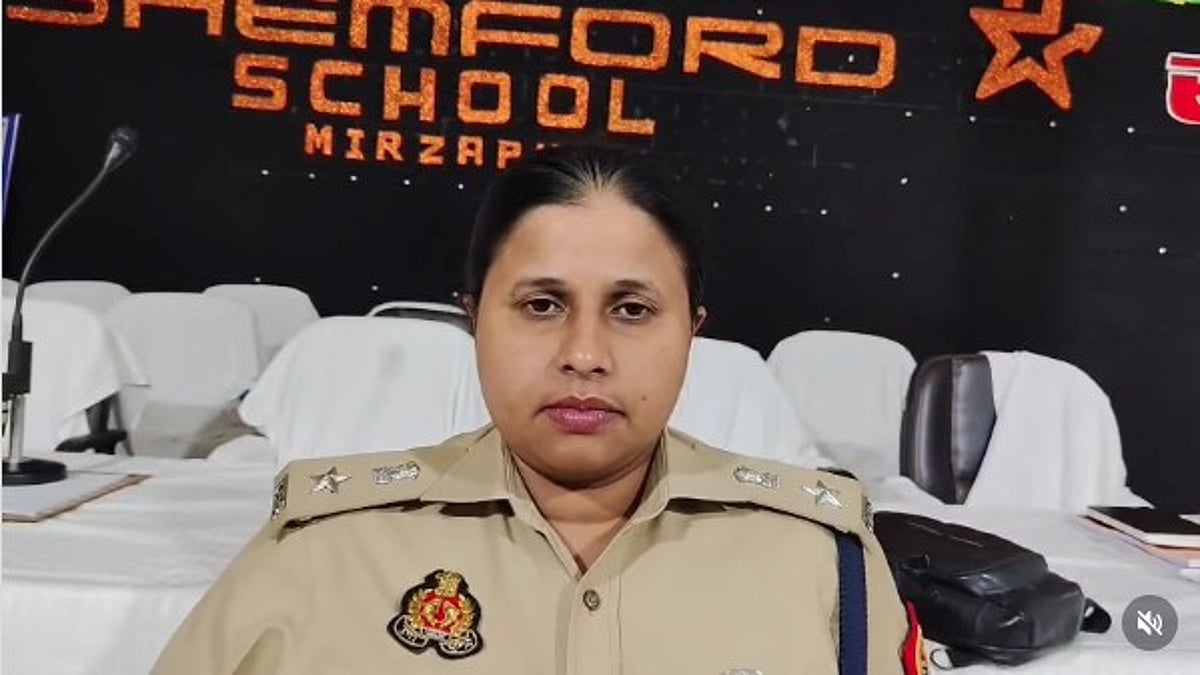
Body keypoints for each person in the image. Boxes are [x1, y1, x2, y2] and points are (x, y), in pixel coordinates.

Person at [152, 144, 922, 674]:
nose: (584, 353)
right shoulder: (325, 548)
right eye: (541, 304)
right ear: (473, 322)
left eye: (631, 310)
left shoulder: (818, 560)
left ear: (691, 333)